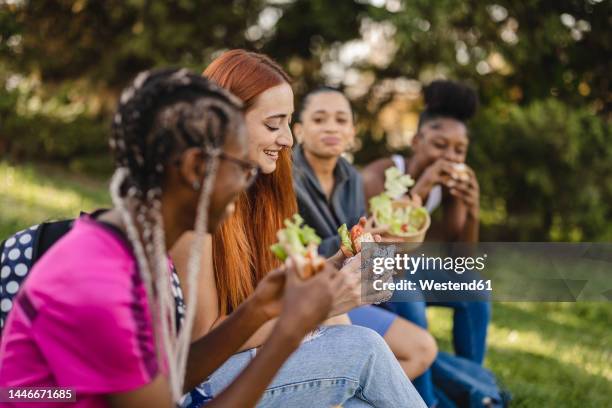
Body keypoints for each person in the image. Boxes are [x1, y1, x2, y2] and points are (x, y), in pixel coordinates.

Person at [0, 68, 344, 408]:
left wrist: (256, 310)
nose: (245, 185)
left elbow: (165, 380)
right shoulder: (100, 284)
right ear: (196, 168)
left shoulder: (129, 247)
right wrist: (287, 333)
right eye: (242, 168)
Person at [174, 50, 426, 407]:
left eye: (289, 123)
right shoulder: (195, 210)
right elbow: (201, 350)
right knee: (364, 347)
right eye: (274, 124)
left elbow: (267, 293)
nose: (288, 139)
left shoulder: (259, 194)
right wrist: (318, 308)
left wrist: (344, 262)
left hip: (246, 359)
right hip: (200, 384)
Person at [291, 86, 437, 380]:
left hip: (355, 280)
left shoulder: (351, 176)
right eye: (319, 119)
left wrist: (393, 240)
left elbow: (368, 255)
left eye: (341, 120)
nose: (331, 127)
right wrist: (362, 241)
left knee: (411, 298)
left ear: (352, 131)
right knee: (419, 346)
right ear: (298, 130)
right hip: (315, 292)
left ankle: (430, 394)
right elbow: (293, 255)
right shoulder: (286, 179)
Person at [362, 80, 491, 407]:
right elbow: (378, 253)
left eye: (459, 150)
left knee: (475, 290)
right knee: (410, 295)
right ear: (416, 140)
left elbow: (462, 259)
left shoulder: (449, 187)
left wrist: (473, 211)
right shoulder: (380, 174)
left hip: (409, 269)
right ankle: (425, 400)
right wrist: (420, 190)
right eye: (439, 144)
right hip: (374, 274)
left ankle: (472, 386)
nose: (449, 156)